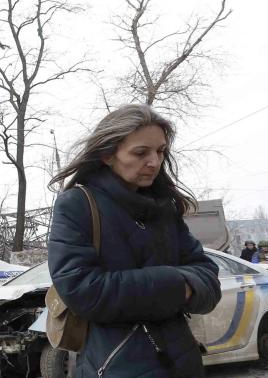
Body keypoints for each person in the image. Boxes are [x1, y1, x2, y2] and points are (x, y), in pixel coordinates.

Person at [48, 104, 221, 378]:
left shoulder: (163, 206)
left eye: (160, 151)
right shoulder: (77, 205)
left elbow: (209, 278)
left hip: (183, 362)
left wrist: (179, 286)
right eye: (141, 153)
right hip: (114, 364)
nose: (154, 162)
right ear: (108, 154)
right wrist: (178, 285)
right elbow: (83, 290)